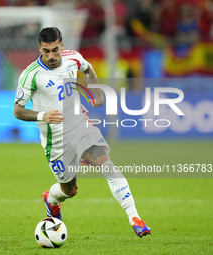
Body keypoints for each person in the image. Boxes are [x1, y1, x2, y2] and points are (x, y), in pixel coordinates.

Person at [13, 27, 150, 238]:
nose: (51, 56)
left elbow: (87, 68)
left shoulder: (73, 58)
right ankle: (51, 199)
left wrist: (96, 91)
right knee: (70, 189)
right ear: (39, 48)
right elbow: (18, 110)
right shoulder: (30, 75)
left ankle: (135, 218)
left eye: (55, 50)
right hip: (56, 142)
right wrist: (43, 116)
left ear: (62, 45)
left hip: (80, 125)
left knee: (107, 165)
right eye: (46, 51)